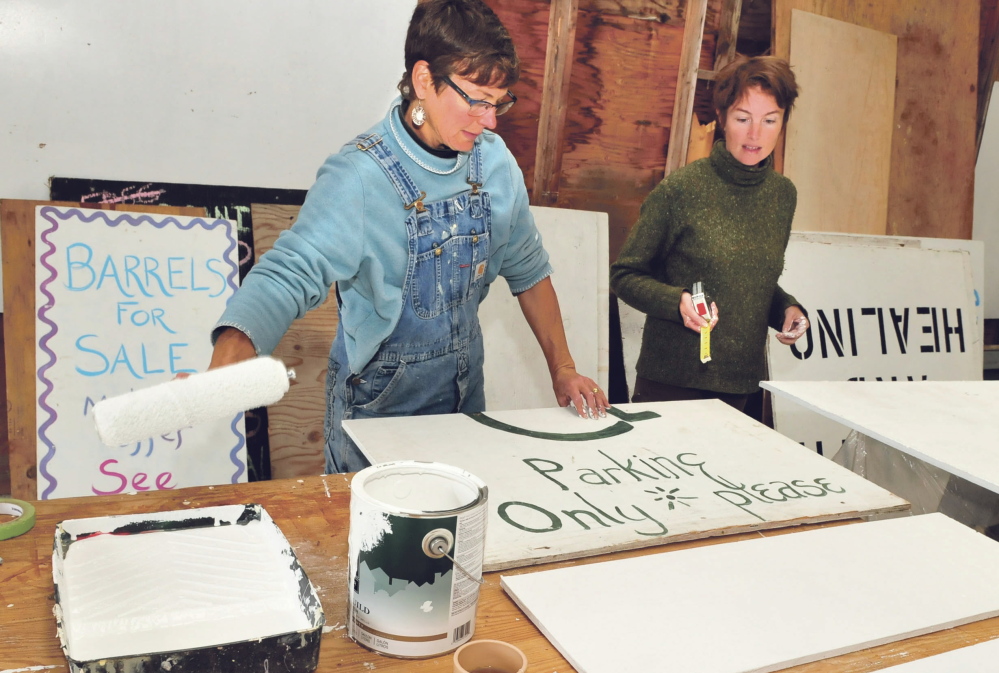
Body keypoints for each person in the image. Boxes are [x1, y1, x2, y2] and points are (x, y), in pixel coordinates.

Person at [208, 0, 609, 474]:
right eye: (476, 99)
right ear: (424, 80)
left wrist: (562, 367)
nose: (490, 120)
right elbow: (287, 275)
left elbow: (528, 268)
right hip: (377, 413)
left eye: (499, 101)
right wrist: (229, 358)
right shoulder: (360, 176)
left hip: (464, 402)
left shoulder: (495, 164)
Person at [610, 55, 809, 412]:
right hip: (672, 384)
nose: (755, 134)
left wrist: (786, 309)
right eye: (742, 118)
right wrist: (677, 302)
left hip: (745, 386)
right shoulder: (682, 190)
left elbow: (751, 277)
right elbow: (625, 275)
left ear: (784, 123)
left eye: (769, 120)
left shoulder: (783, 195)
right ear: (722, 117)